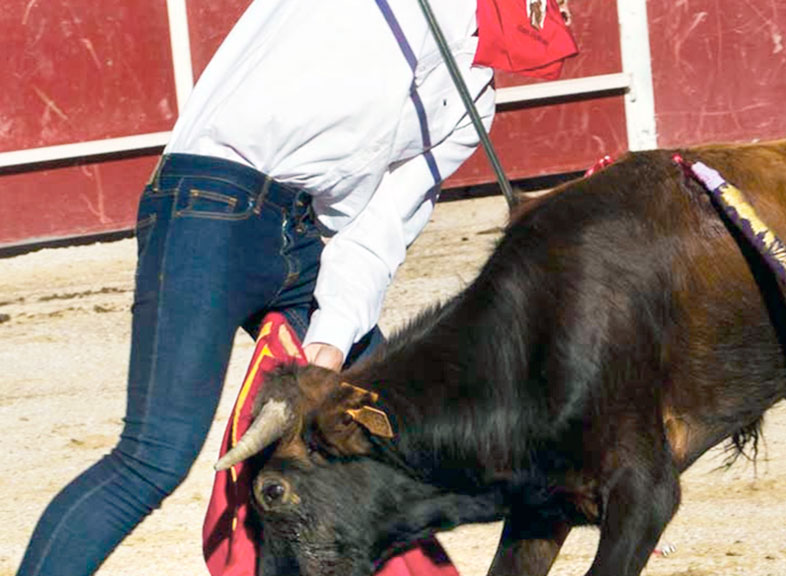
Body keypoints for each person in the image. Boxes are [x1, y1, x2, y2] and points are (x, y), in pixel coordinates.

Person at [16, 1, 495, 574]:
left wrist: (333, 337)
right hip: (212, 209)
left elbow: (379, 225)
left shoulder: (475, 96)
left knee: (390, 429)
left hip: (307, 236)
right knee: (153, 458)